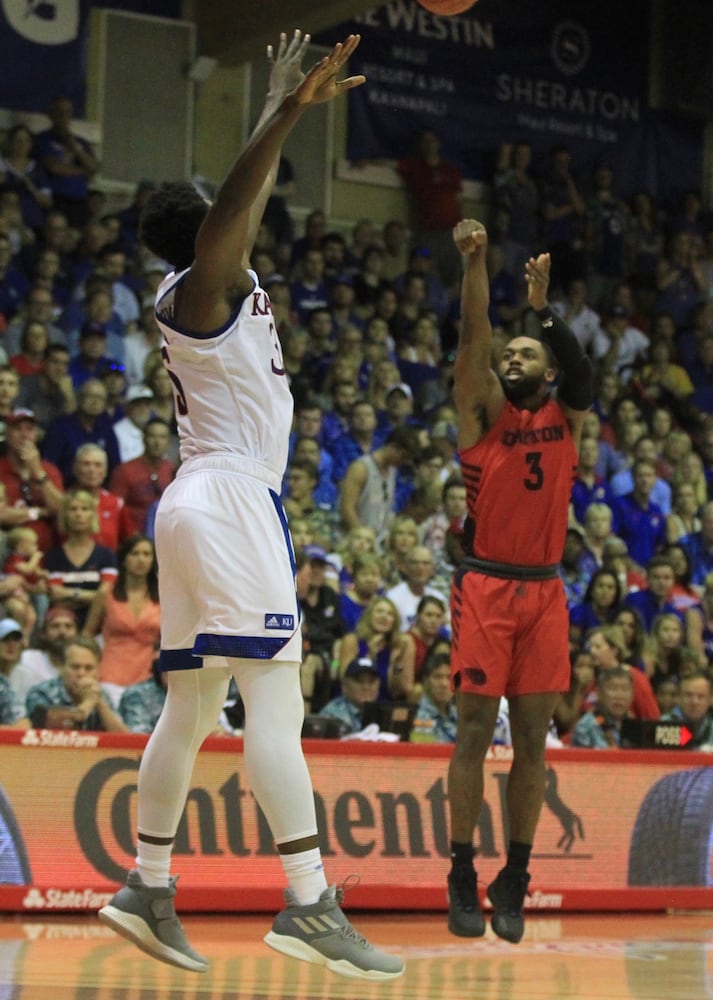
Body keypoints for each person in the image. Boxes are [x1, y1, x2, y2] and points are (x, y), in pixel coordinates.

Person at [96, 31, 403, 981]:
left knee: (188, 710)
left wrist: (285, 109)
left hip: (197, 502)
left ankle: (147, 885)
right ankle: (308, 904)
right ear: (206, 235)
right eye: (226, 218)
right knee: (275, 702)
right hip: (228, 500)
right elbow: (235, 204)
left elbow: (244, 202)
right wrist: (282, 115)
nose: (245, 219)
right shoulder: (199, 289)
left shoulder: (213, 284)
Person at [445, 219, 593, 944]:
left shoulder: (566, 415)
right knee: (473, 731)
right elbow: (474, 334)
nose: (511, 357)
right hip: (487, 586)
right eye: (508, 354)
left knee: (533, 737)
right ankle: (459, 872)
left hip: (544, 590)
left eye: (526, 352)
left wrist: (543, 311)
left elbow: (584, 374)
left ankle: (515, 876)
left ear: (547, 367)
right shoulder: (482, 413)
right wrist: (474, 264)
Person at [82, 533, 161, 707]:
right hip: (110, 673)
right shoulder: (106, 593)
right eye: (135, 553)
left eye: (146, 554)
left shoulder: (163, 596)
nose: (141, 560)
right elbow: (87, 633)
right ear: (124, 559)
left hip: (149, 677)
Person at [25, 636, 127, 731]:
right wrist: (86, 706)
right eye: (75, 667)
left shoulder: (101, 695)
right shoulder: (41, 693)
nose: (81, 673)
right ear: (62, 668)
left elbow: (125, 741)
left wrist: (100, 704)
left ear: (98, 671)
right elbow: (52, 729)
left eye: (88, 668)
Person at [570, 666, 634, 748]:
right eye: (613, 688)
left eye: (625, 689)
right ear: (599, 693)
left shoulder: (635, 726)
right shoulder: (586, 727)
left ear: (632, 694)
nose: (619, 696)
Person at [318, 655, 380, 733]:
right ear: (345, 686)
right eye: (359, 681)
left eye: (371, 681)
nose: (366, 687)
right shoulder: (333, 714)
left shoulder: (382, 713)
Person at [659, 669, 713, 750]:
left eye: (700, 696)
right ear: (678, 697)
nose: (694, 702)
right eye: (688, 695)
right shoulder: (663, 725)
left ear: (710, 700)